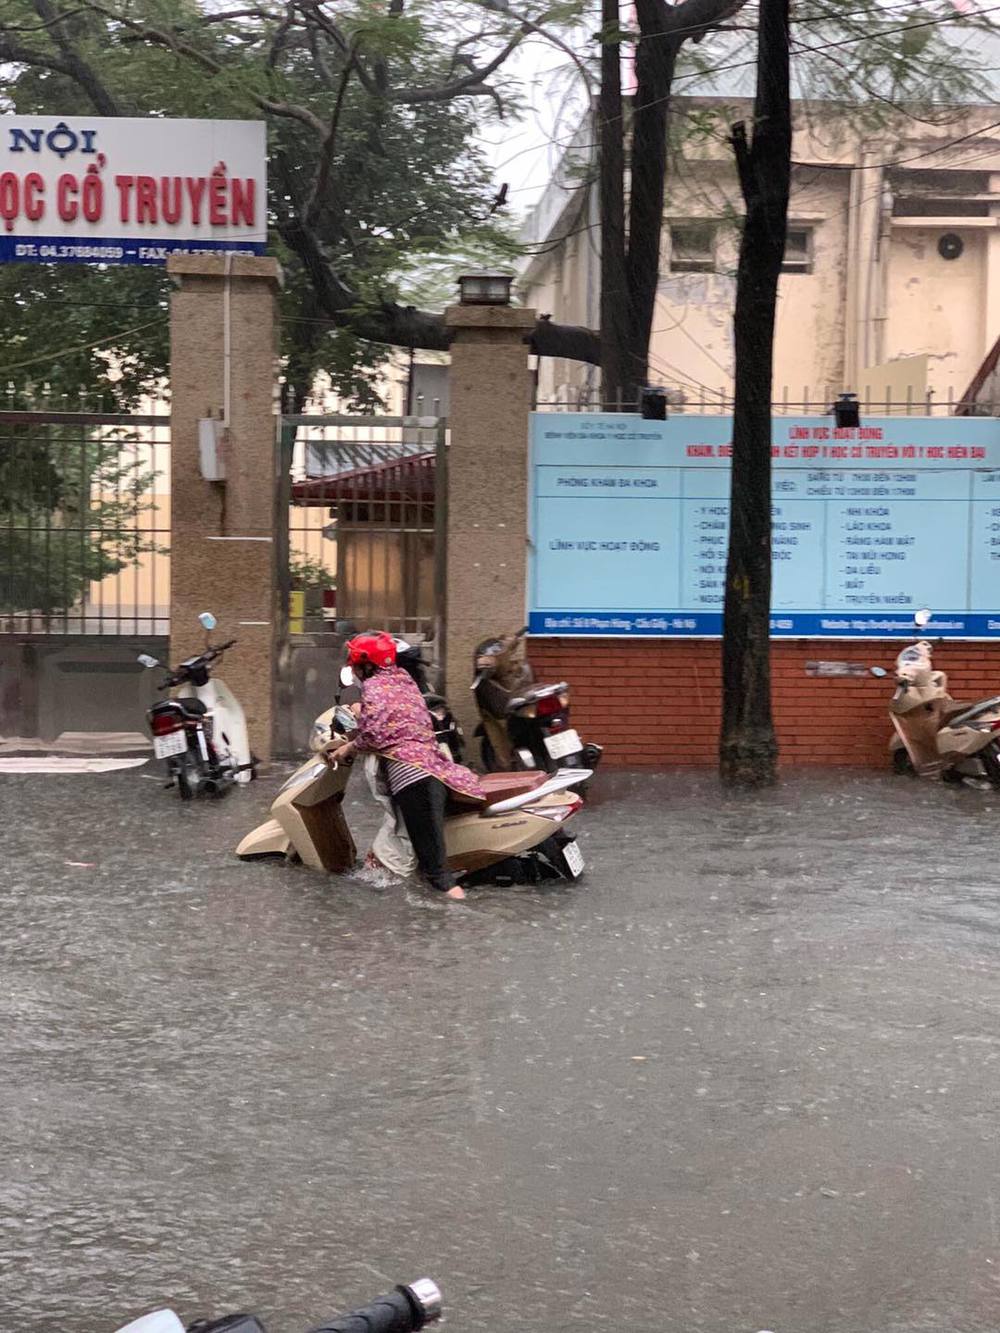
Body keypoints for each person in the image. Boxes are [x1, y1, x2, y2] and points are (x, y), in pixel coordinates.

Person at [328, 631, 485, 900]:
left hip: (411, 777)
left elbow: (374, 733)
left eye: (355, 665)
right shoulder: (404, 681)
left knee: (436, 871)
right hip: (433, 768)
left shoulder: (375, 688)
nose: (353, 670)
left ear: (366, 665)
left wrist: (347, 748)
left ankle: (460, 917)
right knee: (426, 859)